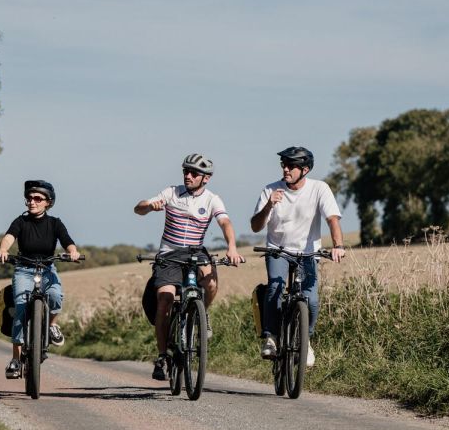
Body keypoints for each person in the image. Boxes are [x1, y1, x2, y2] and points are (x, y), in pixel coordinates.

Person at [134, 153, 243, 381]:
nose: (188, 176)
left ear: (206, 178)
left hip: (196, 251)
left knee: (211, 281)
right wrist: (148, 205)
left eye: (194, 173)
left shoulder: (212, 199)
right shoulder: (171, 192)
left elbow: (225, 222)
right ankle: (163, 355)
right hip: (170, 252)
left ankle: (200, 312)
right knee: (164, 298)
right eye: (186, 171)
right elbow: (139, 209)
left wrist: (232, 247)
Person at [250, 146, 345, 367]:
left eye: (291, 166)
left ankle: (305, 340)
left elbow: (332, 219)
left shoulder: (319, 189)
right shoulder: (270, 190)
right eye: (284, 164)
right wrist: (269, 205)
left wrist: (338, 245)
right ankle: (271, 337)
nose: (286, 169)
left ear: (305, 170)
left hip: (308, 253)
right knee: (275, 286)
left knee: (310, 299)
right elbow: (255, 227)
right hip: (278, 250)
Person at [0, 180, 81, 379]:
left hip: (47, 269)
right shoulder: (21, 221)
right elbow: (9, 236)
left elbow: (67, 241)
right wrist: (3, 249)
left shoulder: (55, 223)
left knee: (55, 295)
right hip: (24, 269)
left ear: (48, 202)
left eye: (37, 199)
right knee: (20, 307)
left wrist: (73, 252)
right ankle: (16, 360)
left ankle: (51, 325)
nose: (32, 202)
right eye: (29, 198)